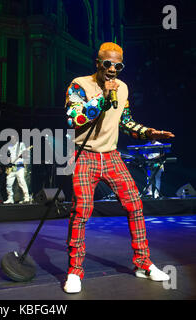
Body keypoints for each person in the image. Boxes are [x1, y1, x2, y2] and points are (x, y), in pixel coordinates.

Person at [63, 42, 175, 293]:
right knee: (82, 210)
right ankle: (74, 271)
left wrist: (148, 132)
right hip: (86, 156)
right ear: (98, 63)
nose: (113, 69)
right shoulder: (79, 84)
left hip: (112, 156)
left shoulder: (122, 88)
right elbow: (74, 118)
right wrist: (102, 96)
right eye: (108, 64)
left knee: (134, 203)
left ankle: (143, 264)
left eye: (118, 65)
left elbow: (125, 122)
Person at [3, 135, 30, 204]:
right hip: (12, 167)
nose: (12, 139)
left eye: (13, 138)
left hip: (19, 167)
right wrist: (8, 164)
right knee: (8, 183)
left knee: (21, 181)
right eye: (11, 138)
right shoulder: (9, 147)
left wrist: (23, 155)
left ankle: (26, 197)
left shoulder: (21, 145)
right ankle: (10, 198)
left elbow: (25, 154)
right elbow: (8, 156)